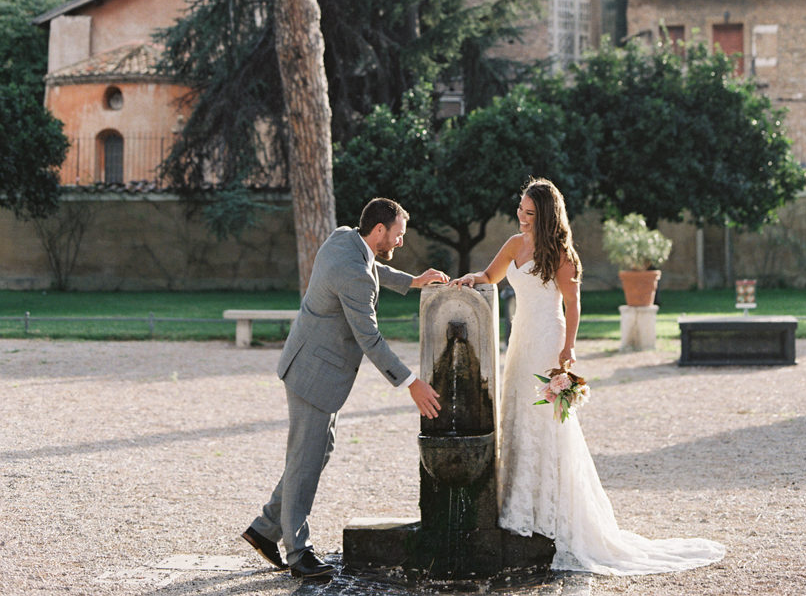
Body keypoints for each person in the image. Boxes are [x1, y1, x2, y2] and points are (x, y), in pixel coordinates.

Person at [452, 177, 726, 576]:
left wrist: (568, 349)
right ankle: (518, 505)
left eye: (530, 213)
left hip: (547, 342)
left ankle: (553, 512)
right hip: (519, 342)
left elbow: (573, 304)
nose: (522, 217)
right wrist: (468, 280)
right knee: (516, 416)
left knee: (548, 424)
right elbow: (490, 277)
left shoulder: (561, 254)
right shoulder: (513, 244)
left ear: (545, 215)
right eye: (521, 210)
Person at [243, 197, 449, 579]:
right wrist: (410, 382)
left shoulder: (344, 239)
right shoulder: (352, 270)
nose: (401, 243)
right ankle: (298, 554)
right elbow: (370, 338)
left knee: (316, 451)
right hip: (314, 374)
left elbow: (371, 269)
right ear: (379, 231)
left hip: (309, 364)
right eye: (398, 236)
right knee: (306, 459)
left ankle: (265, 528)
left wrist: (413, 281)